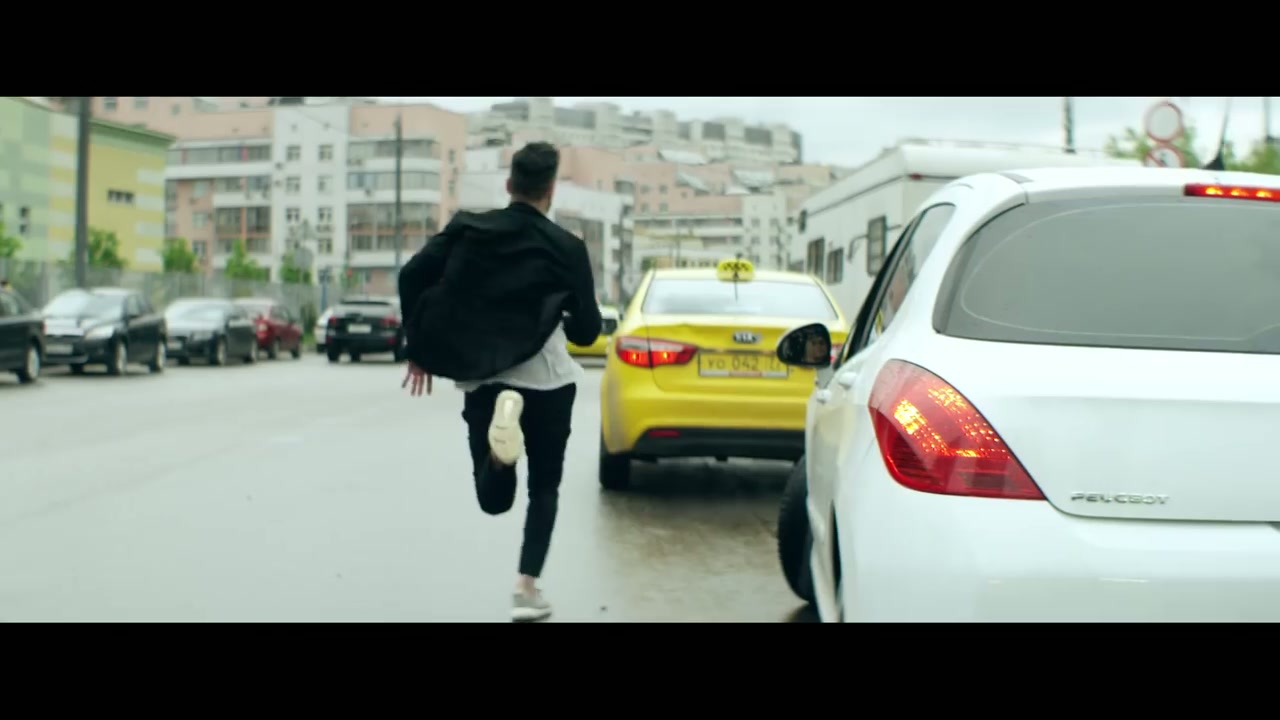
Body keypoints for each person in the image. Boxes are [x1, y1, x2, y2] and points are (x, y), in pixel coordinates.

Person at [397, 141, 602, 622]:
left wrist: (419, 347)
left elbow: (411, 276)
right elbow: (588, 331)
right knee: (544, 489)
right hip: (548, 379)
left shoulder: (468, 227)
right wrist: (565, 312)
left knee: (494, 500)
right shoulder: (567, 247)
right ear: (550, 191)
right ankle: (526, 588)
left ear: (509, 185)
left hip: (484, 377)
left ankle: (498, 456)